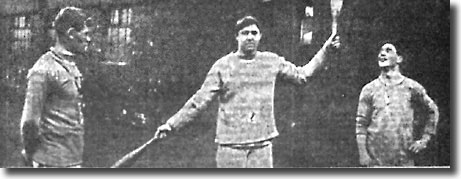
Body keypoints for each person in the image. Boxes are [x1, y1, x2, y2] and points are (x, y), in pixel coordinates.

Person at [155, 16, 340, 168]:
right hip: (230, 148)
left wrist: (326, 50)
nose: (250, 37)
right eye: (245, 33)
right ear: (237, 37)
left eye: (254, 33)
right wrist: (171, 124)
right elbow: (198, 102)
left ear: (260, 36)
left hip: (262, 147)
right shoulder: (222, 66)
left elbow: (303, 74)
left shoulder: (271, 61)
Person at [20, 7, 94, 168]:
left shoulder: (70, 65)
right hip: (51, 163)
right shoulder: (43, 69)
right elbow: (29, 123)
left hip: (72, 160)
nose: (89, 39)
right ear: (71, 33)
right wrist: (30, 154)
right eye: (86, 34)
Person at [355, 42, 439, 167]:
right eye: (380, 51)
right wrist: (364, 155)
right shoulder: (369, 89)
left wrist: (424, 140)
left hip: (404, 162)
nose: (382, 54)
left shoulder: (412, 87)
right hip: (376, 163)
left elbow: (433, 110)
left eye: (388, 50)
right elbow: (361, 124)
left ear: (399, 58)